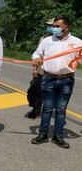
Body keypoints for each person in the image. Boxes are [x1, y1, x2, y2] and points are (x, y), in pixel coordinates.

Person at [31, 16, 82, 149]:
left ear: (66, 27)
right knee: (47, 108)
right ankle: (42, 134)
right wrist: (36, 59)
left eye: (57, 26)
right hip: (48, 79)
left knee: (61, 109)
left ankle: (58, 136)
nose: (54, 28)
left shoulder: (77, 42)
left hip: (67, 80)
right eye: (53, 26)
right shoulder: (47, 41)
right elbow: (37, 53)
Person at [25, 18, 54, 119]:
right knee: (34, 90)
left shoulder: (60, 41)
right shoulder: (43, 38)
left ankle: (42, 111)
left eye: (51, 25)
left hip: (52, 72)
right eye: (48, 25)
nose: (49, 27)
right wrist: (34, 69)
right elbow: (37, 54)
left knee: (46, 93)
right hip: (41, 70)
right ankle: (36, 110)